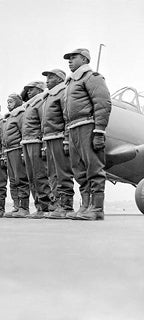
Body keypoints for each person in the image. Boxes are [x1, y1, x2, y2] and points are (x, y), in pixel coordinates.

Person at [63, 48, 112, 220]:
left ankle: (97, 209)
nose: (69, 61)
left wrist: (99, 131)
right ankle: (85, 206)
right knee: (79, 171)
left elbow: (103, 104)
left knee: (94, 168)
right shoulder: (70, 84)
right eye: (68, 58)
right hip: (73, 129)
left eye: (73, 57)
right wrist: (66, 138)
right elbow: (65, 114)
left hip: (88, 126)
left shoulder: (92, 77)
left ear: (84, 60)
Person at [41, 68, 75, 219]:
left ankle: (66, 205)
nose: (47, 80)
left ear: (60, 79)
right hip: (49, 138)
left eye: (51, 77)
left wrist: (67, 139)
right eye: (46, 77)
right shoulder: (48, 97)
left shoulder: (63, 93)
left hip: (59, 137)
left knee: (63, 173)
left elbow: (67, 117)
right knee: (52, 174)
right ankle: (57, 204)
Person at [21, 81, 52, 218]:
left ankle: (46, 206)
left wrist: (44, 145)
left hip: (36, 141)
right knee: (32, 177)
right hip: (27, 142)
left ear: (39, 90)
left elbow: (44, 123)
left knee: (40, 175)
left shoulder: (41, 102)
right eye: (27, 90)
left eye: (31, 89)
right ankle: (39, 206)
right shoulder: (29, 105)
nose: (28, 92)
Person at [2, 94, 30, 218]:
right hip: (8, 151)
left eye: (11, 102)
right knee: (13, 180)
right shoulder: (8, 118)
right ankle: (16, 206)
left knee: (20, 178)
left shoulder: (21, 115)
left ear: (18, 102)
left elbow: (24, 132)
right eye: (7, 102)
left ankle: (24, 207)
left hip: (17, 149)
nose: (8, 104)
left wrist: (24, 152)